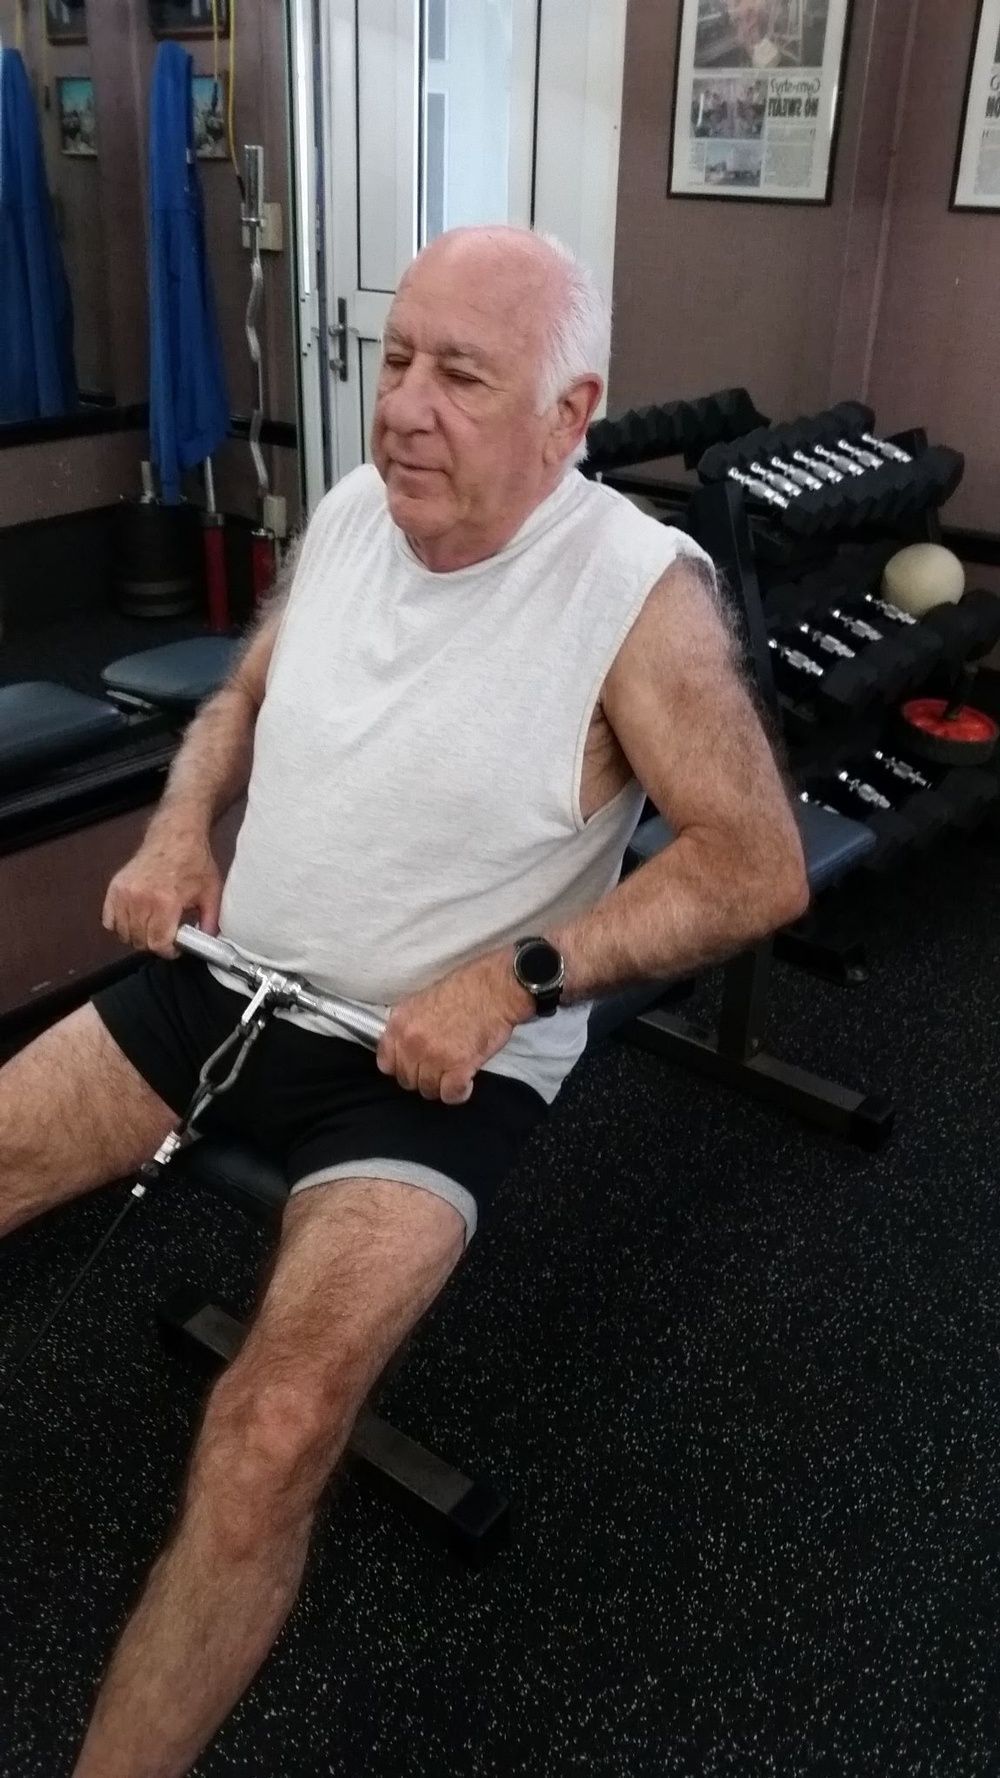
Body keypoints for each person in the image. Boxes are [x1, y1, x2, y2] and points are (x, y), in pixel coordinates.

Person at [0, 225, 808, 1778]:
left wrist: (517, 981)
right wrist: (179, 830)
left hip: (425, 1063)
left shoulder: (639, 595)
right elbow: (241, 691)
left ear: (571, 415)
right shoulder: (368, 506)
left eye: (462, 375)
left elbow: (756, 865)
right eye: (397, 358)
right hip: (226, 988)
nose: (404, 407)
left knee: (273, 1431)